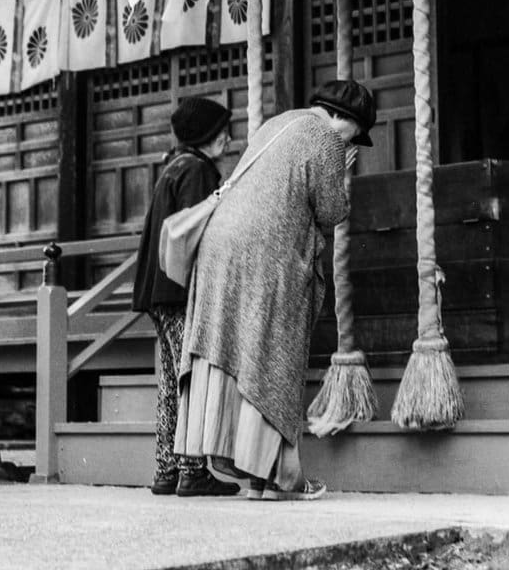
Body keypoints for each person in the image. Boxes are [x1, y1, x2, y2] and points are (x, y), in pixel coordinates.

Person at [174, 78, 376, 501]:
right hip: (265, 253)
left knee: (235, 347)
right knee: (272, 351)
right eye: (357, 133)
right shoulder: (326, 139)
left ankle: (244, 466)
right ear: (348, 122)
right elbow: (330, 209)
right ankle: (281, 476)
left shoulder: (278, 122)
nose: (354, 140)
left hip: (219, 246)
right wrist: (342, 172)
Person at [130, 95, 238, 497]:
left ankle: (167, 469)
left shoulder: (173, 167)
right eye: (222, 130)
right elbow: (198, 235)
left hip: (159, 291)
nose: (228, 137)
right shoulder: (196, 170)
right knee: (188, 376)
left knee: (171, 381)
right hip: (180, 290)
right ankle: (192, 469)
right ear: (207, 134)